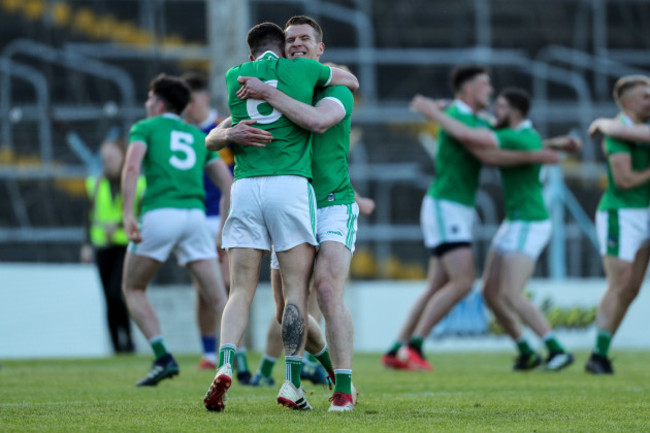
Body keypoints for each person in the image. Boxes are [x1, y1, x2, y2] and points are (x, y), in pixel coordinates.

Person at [202, 21, 359, 412]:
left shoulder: (332, 90)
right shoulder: (290, 78)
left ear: (320, 48)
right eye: (291, 40)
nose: (298, 44)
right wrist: (228, 135)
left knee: (323, 290)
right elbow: (213, 136)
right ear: (282, 47)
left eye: (306, 39)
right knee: (286, 307)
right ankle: (318, 372)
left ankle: (343, 385)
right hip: (294, 197)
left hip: (333, 202)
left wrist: (267, 92)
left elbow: (319, 121)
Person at [383, 66, 559, 372]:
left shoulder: (473, 118)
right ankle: (416, 347)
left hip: (456, 207)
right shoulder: (460, 118)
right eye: (484, 85)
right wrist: (432, 110)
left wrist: (551, 147)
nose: (490, 91)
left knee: (437, 285)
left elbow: (509, 142)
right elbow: (484, 149)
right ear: (466, 90)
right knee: (463, 282)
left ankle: (397, 347)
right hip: (446, 205)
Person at [121, 73, 232, 386]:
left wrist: (128, 214)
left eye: (148, 98)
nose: (146, 103)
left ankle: (163, 356)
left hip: (160, 213)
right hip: (196, 218)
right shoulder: (198, 136)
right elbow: (228, 184)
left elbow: (131, 168)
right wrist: (222, 228)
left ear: (157, 103)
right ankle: (232, 364)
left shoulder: (145, 127)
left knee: (133, 288)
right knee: (219, 299)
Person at [181, 72, 252, 383]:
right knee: (203, 289)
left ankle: (236, 353)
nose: (187, 106)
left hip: (226, 213)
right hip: (197, 215)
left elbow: (236, 171)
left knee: (227, 285)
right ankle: (210, 353)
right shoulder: (181, 132)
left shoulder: (223, 126)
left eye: (191, 99)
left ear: (204, 98)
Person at [585, 75, 650, 374]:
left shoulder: (622, 129)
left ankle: (602, 351)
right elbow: (624, 181)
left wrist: (603, 123)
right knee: (620, 282)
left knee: (633, 288)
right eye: (645, 96)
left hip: (645, 212)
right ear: (628, 102)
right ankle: (598, 354)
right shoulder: (619, 132)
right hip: (622, 213)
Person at [81, 138, 145, 354]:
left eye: (111, 157)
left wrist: (117, 225)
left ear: (123, 158)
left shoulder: (137, 183)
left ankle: (128, 337)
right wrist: (86, 244)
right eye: (104, 158)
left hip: (124, 244)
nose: (107, 162)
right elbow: (89, 216)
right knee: (107, 297)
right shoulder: (95, 183)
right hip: (102, 245)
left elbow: (141, 214)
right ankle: (117, 346)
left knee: (117, 292)